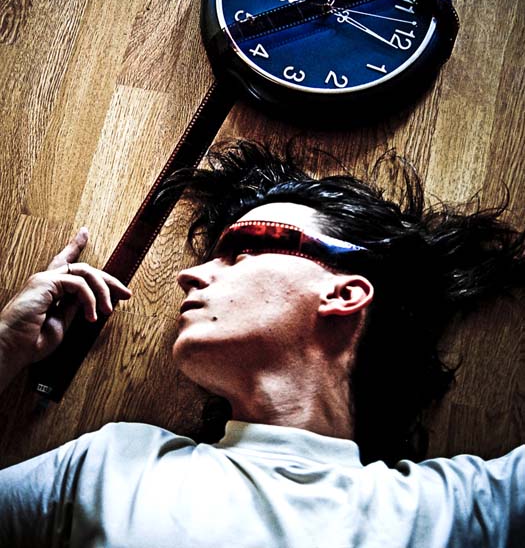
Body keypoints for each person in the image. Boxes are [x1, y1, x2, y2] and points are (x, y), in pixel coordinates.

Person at [0, 140, 523, 547]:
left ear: (343, 293)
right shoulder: (109, 467)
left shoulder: (455, 511)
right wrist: (5, 347)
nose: (189, 275)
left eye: (243, 252)